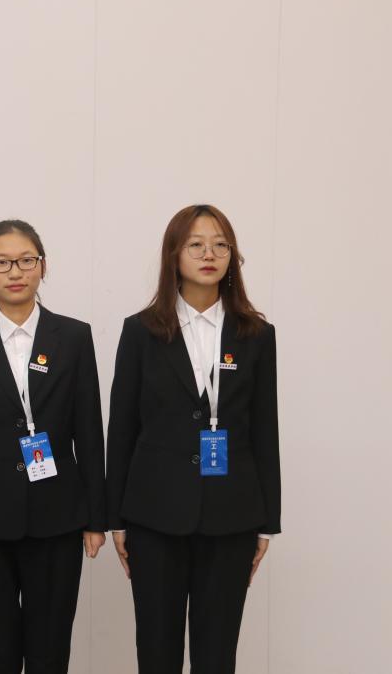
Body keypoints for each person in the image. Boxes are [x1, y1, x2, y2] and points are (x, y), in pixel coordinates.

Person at [107, 204, 281, 674]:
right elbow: (122, 428)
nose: (209, 254)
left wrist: (267, 523)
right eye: (196, 245)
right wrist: (115, 518)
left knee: (218, 653)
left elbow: (265, 430)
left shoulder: (256, 334)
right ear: (174, 255)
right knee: (157, 651)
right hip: (154, 516)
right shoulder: (140, 331)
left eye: (221, 245)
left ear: (233, 257)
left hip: (232, 515)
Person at [0, 219, 106, 674]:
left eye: (26, 260)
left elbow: (89, 431)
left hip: (58, 516)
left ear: (43, 266)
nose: (15, 271)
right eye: (2, 262)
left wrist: (97, 517)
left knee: (50, 650)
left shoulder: (74, 337)